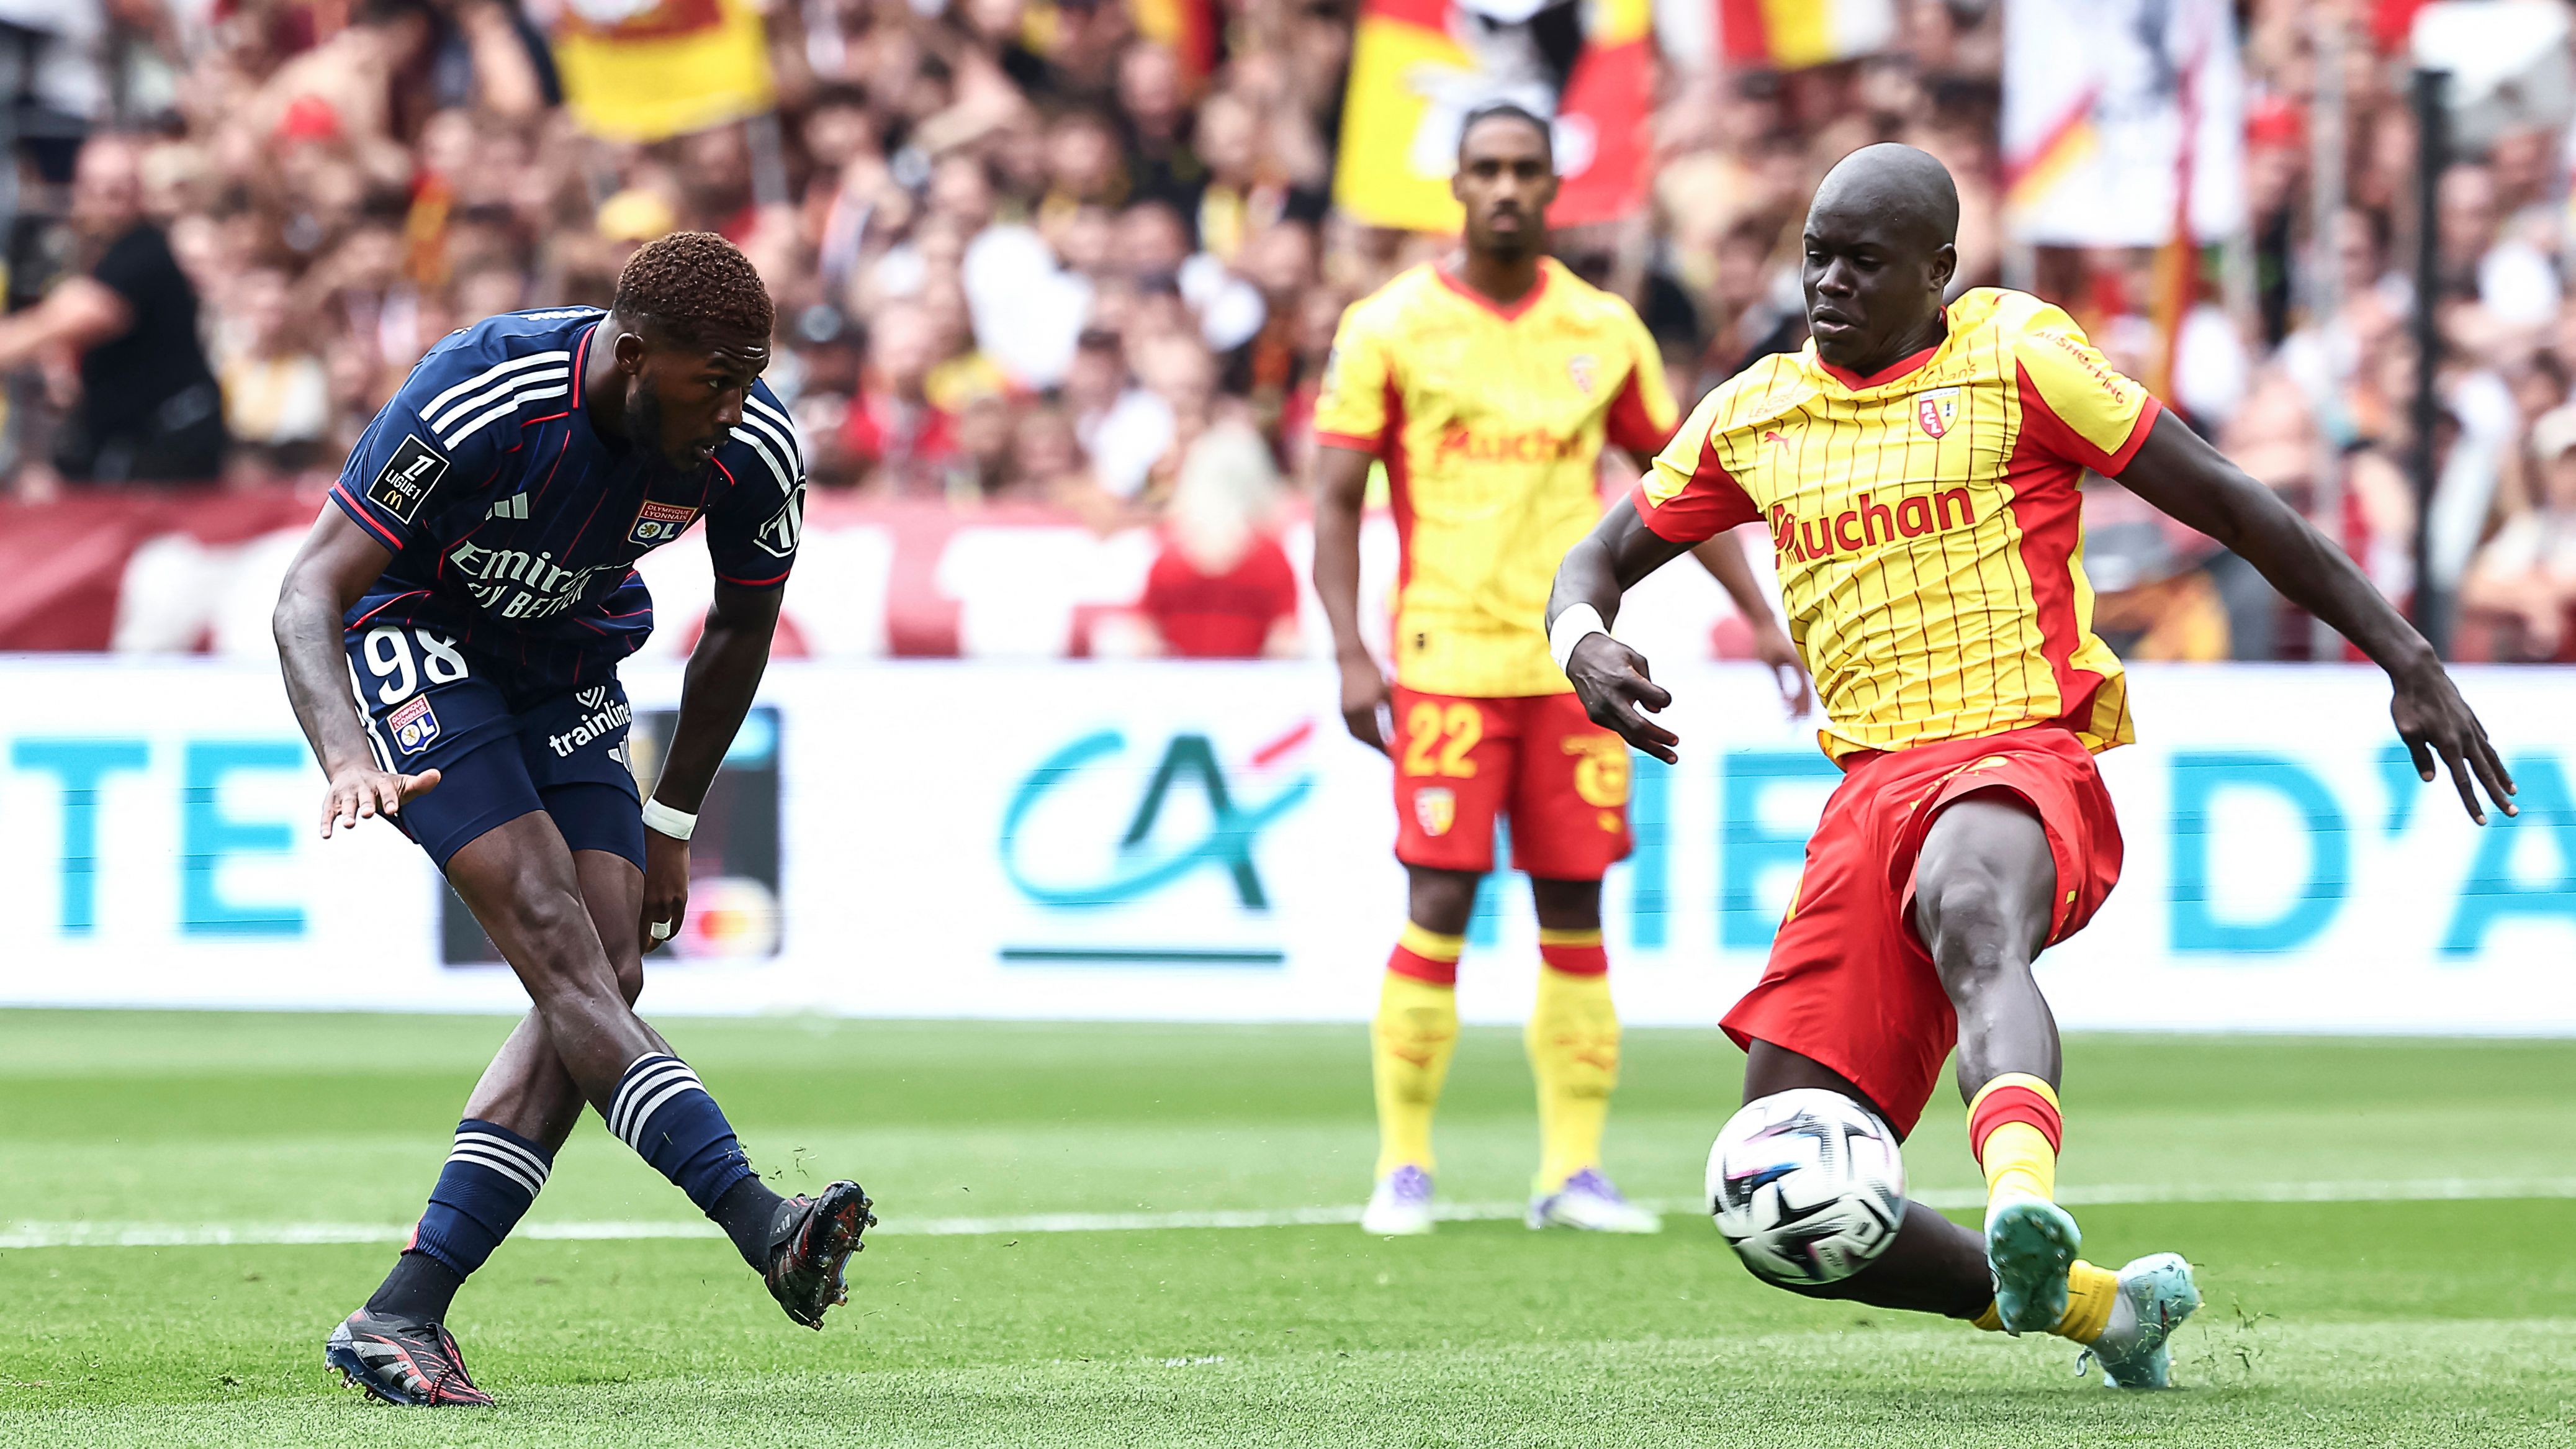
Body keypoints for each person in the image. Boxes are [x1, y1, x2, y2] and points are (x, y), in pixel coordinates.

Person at [1546, 144, 2515, 1388]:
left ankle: (2018, 1197)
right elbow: (1594, 562)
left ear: (1938, 271)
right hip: (1862, 801)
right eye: (1814, 256)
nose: (1827, 283)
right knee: (1771, 1189)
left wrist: (2403, 654)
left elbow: (2224, 499)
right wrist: (1583, 644)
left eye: (1863, 261)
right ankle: (2096, 1311)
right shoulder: (1754, 411)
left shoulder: (2015, 360)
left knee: (1968, 910)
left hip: (2016, 749)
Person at [271, 232, 871, 1407]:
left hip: (565, 657)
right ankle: (763, 1223)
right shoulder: (481, 391)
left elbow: (740, 630)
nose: (736, 408)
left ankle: (401, 1313)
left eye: (753, 378)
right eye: (713, 383)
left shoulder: (748, 445)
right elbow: (309, 587)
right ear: (636, 356)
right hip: (420, 637)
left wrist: (672, 820)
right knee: (556, 937)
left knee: (602, 974)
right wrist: (346, 751)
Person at [1310, 102, 1807, 1239]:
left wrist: (1761, 613)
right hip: (1441, 656)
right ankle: (1403, 1165)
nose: (1504, 188)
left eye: (1524, 170)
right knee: (1436, 898)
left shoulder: (1604, 327)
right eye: (1484, 168)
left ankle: (1572, 1169)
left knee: (1574, 907)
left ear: (1553, 186)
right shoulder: (1387, 326)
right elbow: (1336, 498)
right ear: (1455, 184)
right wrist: (1350, 646)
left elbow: (1680, 485)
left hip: (1578, 670)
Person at [0, 133, 225, 485]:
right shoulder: (84, 256)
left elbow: (81, 316)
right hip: (124, 443)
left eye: (119, 192)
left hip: (170, 447)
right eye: (97, 191)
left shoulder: (144, 252)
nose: (108, 204)